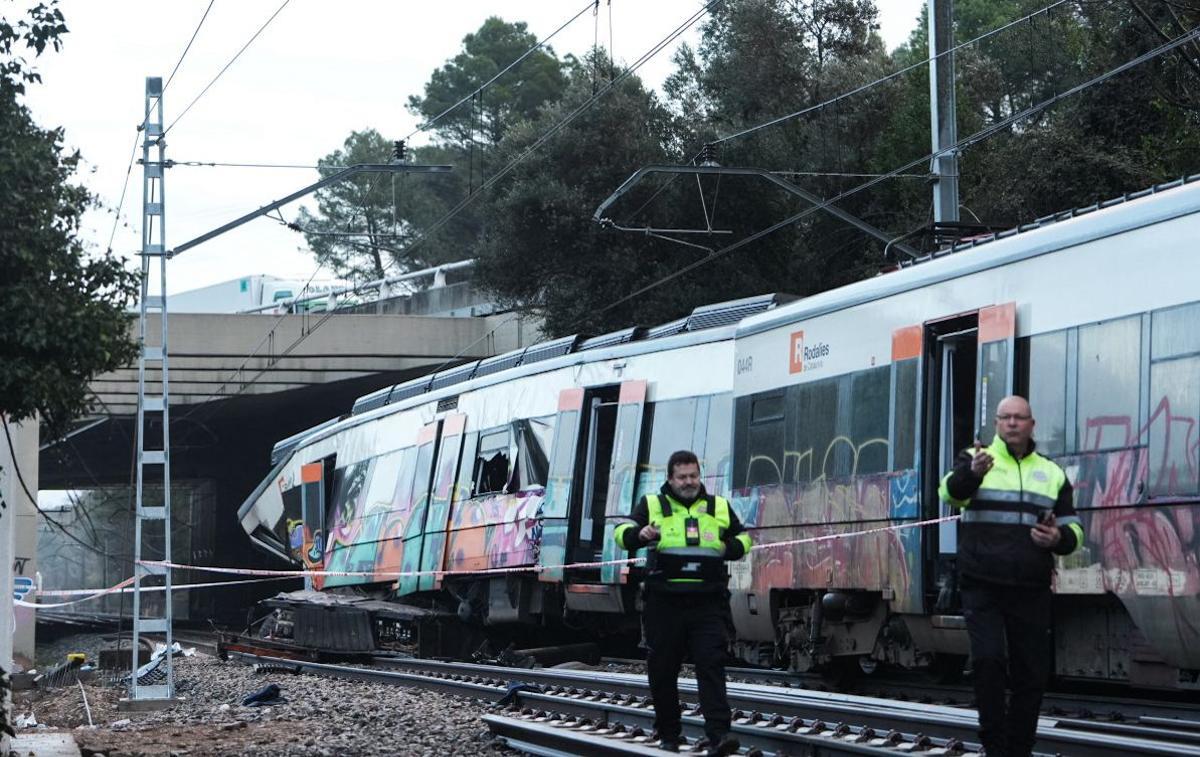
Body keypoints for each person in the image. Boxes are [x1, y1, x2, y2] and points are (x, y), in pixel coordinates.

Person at [939, 395, 1085, 757]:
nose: (1013, 424)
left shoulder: (1051, 472)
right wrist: (972, 475)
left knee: (1031, 674)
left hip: (1030, 587)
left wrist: (1058, 538)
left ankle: (1019, 749)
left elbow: (1075, 530)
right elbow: (949, 494)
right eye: (1006, 418)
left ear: (1032, 424)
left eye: (1020, 418)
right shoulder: (975, 460)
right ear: (997, 424)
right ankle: (994, 745)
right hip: (982, 584)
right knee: (988, 661)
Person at [613, 450, 752, 756]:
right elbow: (620, 534)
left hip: (708, 603)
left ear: (700, 476)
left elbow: (744, 540)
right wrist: (641, 533)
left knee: (711, 665)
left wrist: (726, 546)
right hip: (664, 604)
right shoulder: (652, 505)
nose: (689, 482)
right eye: (682, 477)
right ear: (670, 479)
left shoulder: (718, 507)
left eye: (693, 476)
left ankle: (719, 736)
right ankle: (669, 735)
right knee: (663, 670)